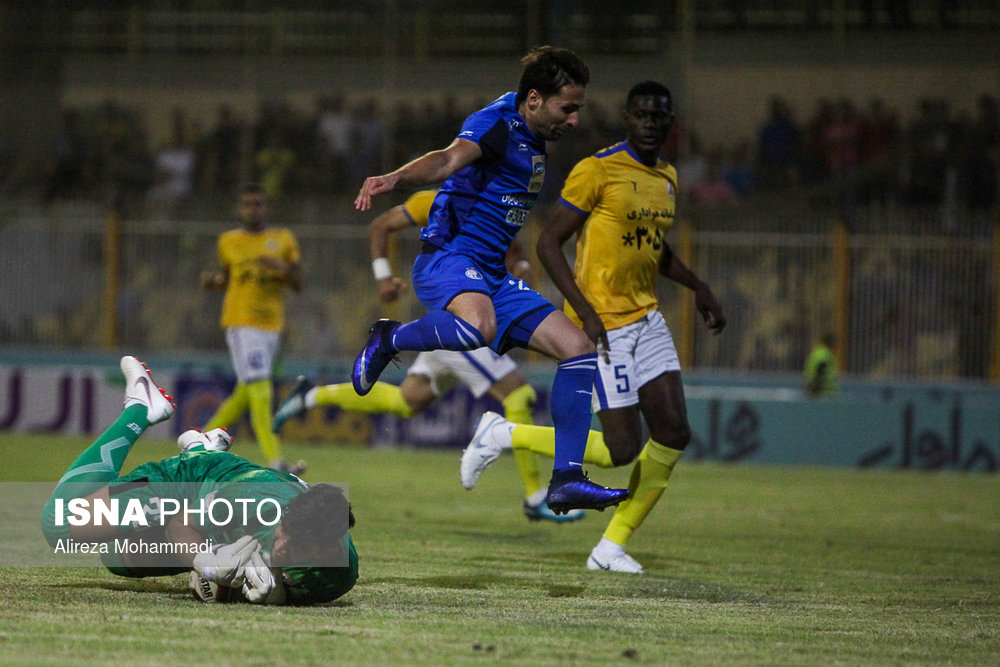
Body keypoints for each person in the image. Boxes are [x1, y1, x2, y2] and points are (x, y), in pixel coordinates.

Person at [461, 81, 727, 574]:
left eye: (660, 115)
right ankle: (502, 434)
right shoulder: (598, 170)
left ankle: (609, 548)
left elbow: (652, 247)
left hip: (647, 319)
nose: (651, 122)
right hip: (605, 326)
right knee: (619, 449)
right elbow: (548, 243)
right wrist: (583, 310)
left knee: (673, 432)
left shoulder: (666, 177)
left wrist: (699, 287)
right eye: (643, 113)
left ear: (669, 123)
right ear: (628, 118)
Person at [352, 46, 628, 514]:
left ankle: (565, 478)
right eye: (569, 108)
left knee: (578, 350)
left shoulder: (535, 136)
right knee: (476, 328)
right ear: (535, 99)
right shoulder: (497, 121)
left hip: (491, 275)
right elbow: (445, 162)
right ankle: (391, 337)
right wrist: (394, 178)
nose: (575, 120)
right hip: (449, 257)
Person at [272, 189, 583, 523]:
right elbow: (379, 226)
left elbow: (515, 253)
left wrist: (519, 268)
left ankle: (312, 394)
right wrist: (382, 278)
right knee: (519, 393)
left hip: (450, 323)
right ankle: (536, 496)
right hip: (465, 322)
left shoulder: (500, 196)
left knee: (408, 400)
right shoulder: (437, 199)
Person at [40, 356, 358, 605]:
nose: (283, 547)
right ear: (286, 513)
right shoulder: (251, 501)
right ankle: (142, 409)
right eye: (284, 533)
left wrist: (274, 596)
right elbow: (180, 523)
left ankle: (201, 444)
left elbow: (286, 588)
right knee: (61, 526)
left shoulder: (337, 575)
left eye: (299, 546)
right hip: (193, 482)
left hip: (221, 510)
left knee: (118, 556)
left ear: (328, 549)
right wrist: (204, 560)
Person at [199, 183, 304, 474]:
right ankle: (276, 461)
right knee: (261, 390)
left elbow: (299, 284)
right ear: (239, 209)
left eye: (258, 204)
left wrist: (282, 268)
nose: (252, 209)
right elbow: (227, 278)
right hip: (241, 323)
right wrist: (212, 282)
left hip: (272, 325)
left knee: (244, 393)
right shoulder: (228, 241)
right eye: (247, 204)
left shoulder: (282, 240)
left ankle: (199, 445)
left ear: (266, 208)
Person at [804, 331, 839, 397]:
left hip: (819, 393)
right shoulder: (824, 354)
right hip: (823, 394)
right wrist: (816, 388)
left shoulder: (817, 352)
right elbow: (820, 371)